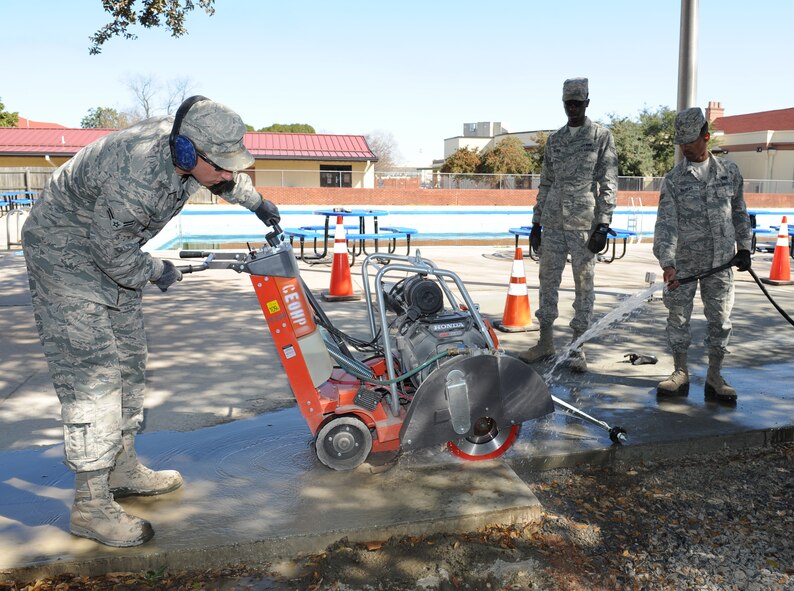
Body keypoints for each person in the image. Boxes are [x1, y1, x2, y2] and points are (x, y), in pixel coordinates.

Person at [21, 96, 280, 547]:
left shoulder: (193, 146)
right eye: (220, 165)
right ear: (186, 153)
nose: (226, 173)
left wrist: (257, 202)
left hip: (107, 250)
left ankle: (120, 468)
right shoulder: (136, 175)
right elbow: (114, 255)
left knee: (129, 363)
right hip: (64, 258)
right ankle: (90, 506)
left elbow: (219, 178)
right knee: (95, 378)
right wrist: (158, 271)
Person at [652, 107, 752, 402]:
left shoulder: (729, 172)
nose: (684, 148)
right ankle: (680, 372)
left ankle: (714, 376)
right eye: (680, 142)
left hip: (722, 262)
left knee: (720, 320)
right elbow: (666, 224)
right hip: (683, 264)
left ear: (705, 136)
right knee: (678, 319)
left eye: (690, 141)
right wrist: (667, 262)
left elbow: (739, 211)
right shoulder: (674, 179)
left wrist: (745, 247)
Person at [519, 78, 618, 372]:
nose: (572, 109)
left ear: (587, 103)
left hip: (584, 224)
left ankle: (578, 347)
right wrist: (536, 222)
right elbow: (546, 182)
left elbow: (608, 182)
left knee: (583, 286)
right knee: (547, 281)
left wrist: (603, 224)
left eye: (577, 103)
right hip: (553, 221)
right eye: (568, 104)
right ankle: (545, 342)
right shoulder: (555, 140)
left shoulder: (601, 136)